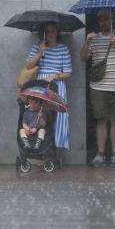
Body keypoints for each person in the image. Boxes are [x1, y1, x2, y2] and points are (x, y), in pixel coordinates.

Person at [80, 10, 115, 167]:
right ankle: (101, 154)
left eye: (106, 19)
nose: (103, 22)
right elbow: (83, 58)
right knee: (101, 120)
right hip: (98, 86)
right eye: (100, 19)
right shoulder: (93, 38)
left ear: (113, 19)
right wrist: (87, 42)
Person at [25, 22, 72, 150]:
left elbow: (68, 72)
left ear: (57, 32)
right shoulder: (37, 47)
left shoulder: (63, 49)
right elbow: (28, 66)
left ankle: (57, 147)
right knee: (40, 114)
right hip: (41, 84)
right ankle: (42, 146)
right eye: (48, 31)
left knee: (59, 115)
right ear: (43, 33)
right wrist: (40, 52)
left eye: (53, 31)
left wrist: (55, 76)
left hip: (58, 84)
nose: (51, 34)